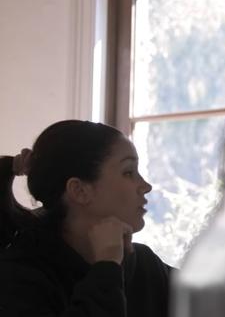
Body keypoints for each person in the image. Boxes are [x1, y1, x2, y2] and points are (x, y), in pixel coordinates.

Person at [0, 120, 171, 316]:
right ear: (79, 190)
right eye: (128, 172)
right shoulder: (18, 279)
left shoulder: (143, 264)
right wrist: (106, 268)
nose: (146, 186)